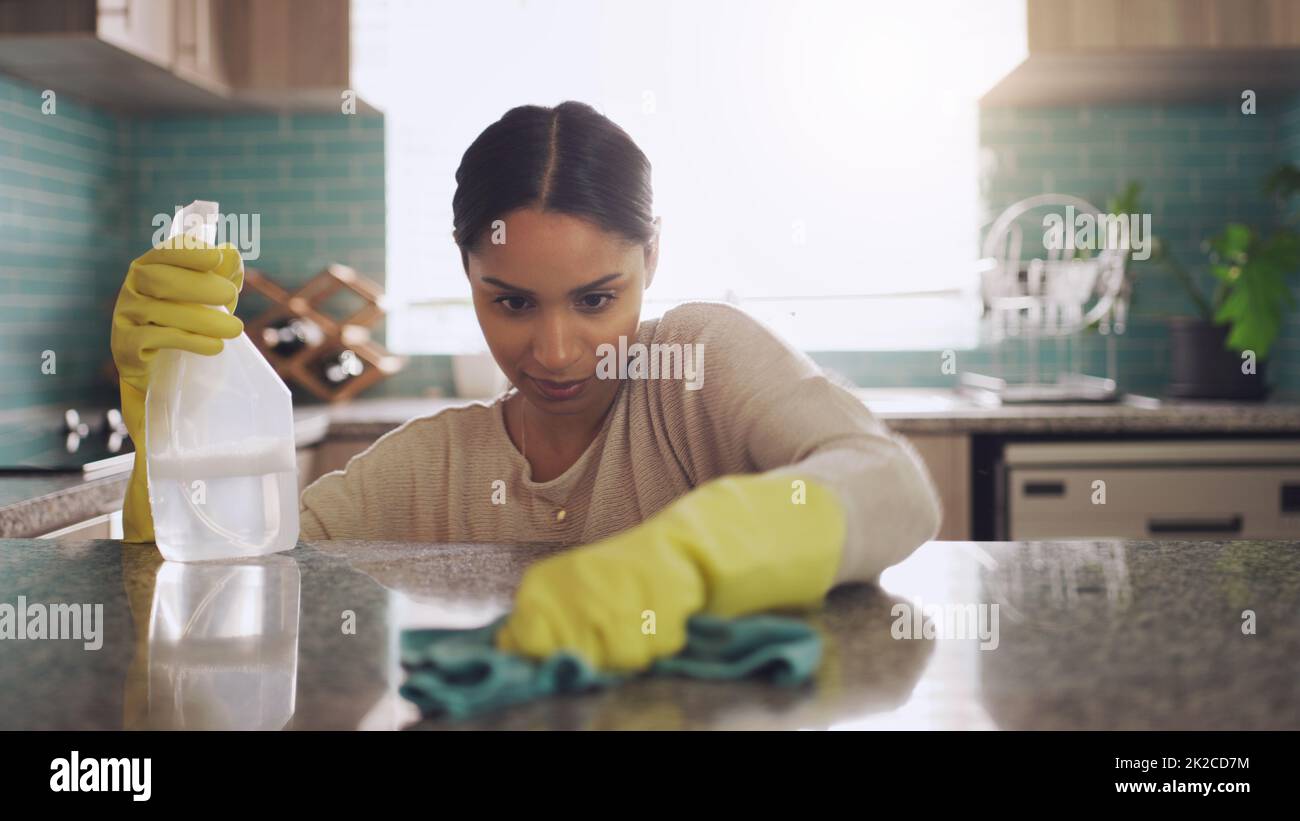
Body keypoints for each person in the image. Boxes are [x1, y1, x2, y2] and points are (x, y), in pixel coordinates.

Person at [111, 101, 941, 672]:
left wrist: (694, 554)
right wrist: (176, 425)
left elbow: (893, 484)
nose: (555, 352)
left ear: (651, 260)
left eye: (596, 298)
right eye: (509, 301)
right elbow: (222, 597)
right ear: (468, 271)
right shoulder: (429, 469)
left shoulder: (697, 365)